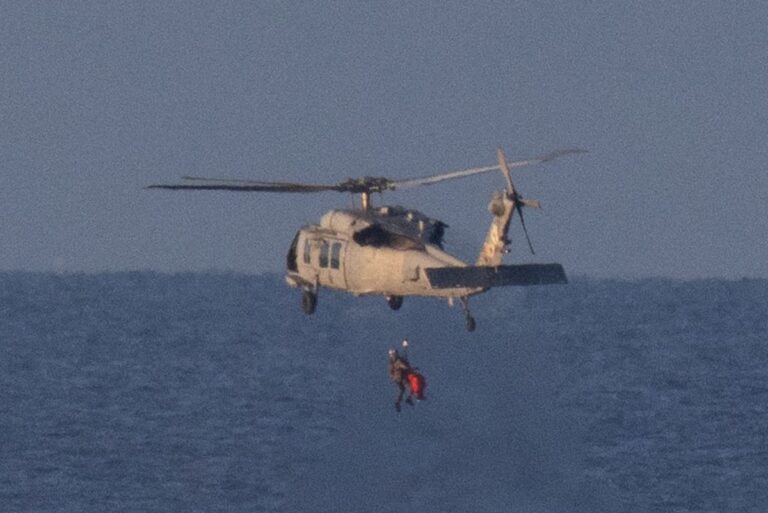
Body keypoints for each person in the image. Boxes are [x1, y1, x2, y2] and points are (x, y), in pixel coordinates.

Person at [388, 347, 412, 412]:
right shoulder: (397, 361)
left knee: (403, 389)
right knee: (411, 385)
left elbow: (390, 372)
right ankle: (409, 398)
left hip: (397, 379)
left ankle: (398, 401)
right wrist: (409, 368)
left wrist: (393, 376)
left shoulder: (392, 363)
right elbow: (403, 366)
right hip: (401, 377)